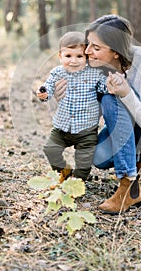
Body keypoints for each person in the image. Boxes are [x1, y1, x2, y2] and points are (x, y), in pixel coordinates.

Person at [55, 15, 141, 214]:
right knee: (98, 157)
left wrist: (126, 93)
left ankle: (128, 186)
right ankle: (136, 156)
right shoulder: (96, 66)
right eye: (88, 44)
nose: (87, 52)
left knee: (111, 98)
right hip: (130, 125)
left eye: (96, 48)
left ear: (115, 52)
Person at [36, 31, 108, 182]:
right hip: (62, 127)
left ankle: (78, 181)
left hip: (86, 129)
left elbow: (104, 87)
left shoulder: (95, 73)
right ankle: (65, 171)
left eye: (79, 56)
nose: (73, 61)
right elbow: (48, 87)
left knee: (84, 160)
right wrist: (44, 93)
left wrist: (112, 86)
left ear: (86, 57)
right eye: (68, 56)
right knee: (50, 149)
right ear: (60, 56)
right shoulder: (57, 73)